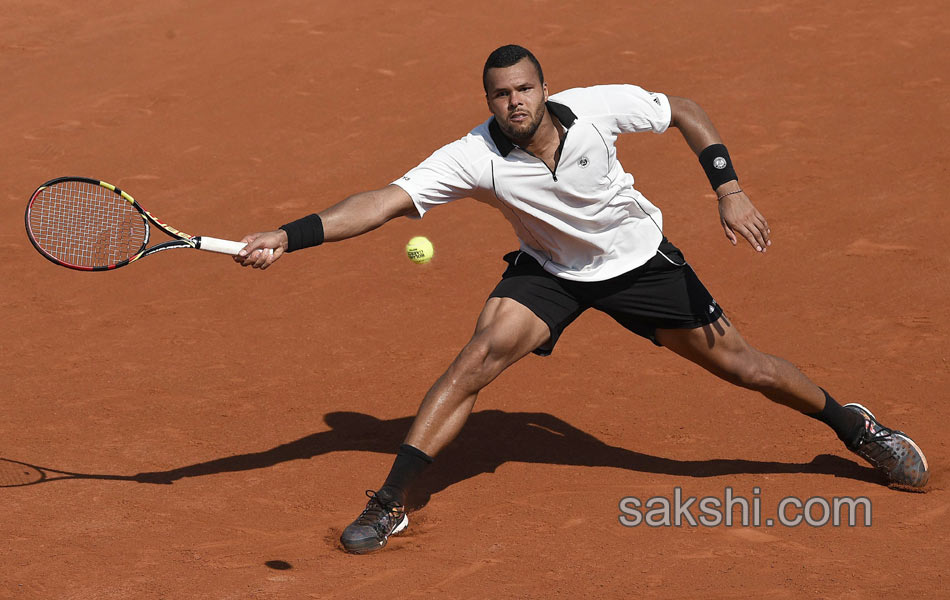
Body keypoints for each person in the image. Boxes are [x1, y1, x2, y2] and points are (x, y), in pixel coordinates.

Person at [234, 45, 930, 554]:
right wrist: (290, 236)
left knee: (749, 368)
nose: (515, 103)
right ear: (490, 103)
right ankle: (391, 502)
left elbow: (685, 111)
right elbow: (381, 202)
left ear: (543, 88)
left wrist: (728, 188)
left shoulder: (597, 110)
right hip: (551, 274)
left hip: (641, 266)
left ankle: (854, 428)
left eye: (525, 89)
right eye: (501, 95)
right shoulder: (474, 155)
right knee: (473, 361)